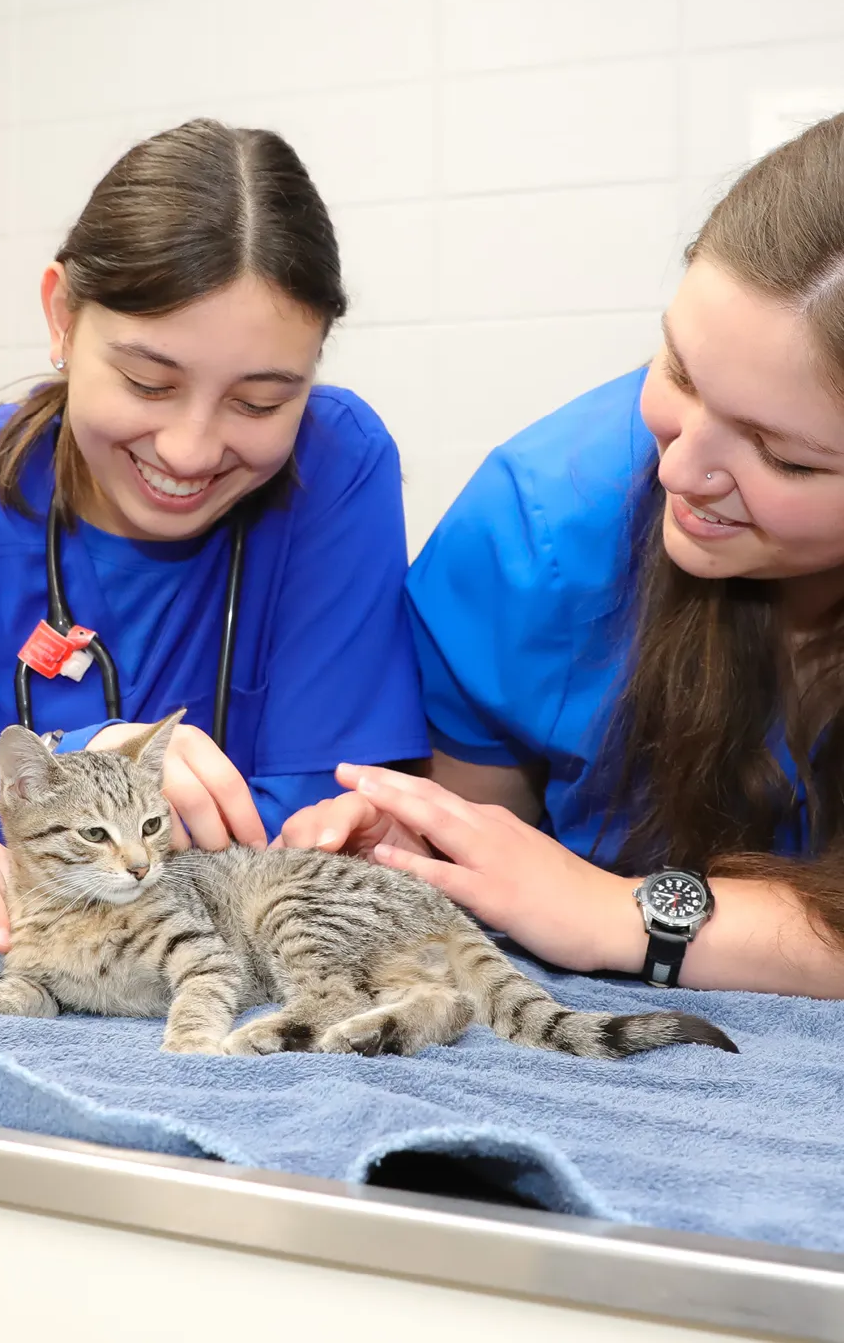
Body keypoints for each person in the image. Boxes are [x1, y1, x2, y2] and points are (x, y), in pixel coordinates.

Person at [276, 112, 844, 1000]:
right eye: (682, 374)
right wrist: (419, 850)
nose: (680, 469)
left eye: (784, 456)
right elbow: (484, 830)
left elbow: (587, 908)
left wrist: (622, 915)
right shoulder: (537, 528)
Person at [0, 119, 428, 967]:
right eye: (148, 383)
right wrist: (58, 773)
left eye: (260, 402)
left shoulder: (335, 465)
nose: (190, 452)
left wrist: (7, 830)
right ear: (61, 316)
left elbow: (332, 813)